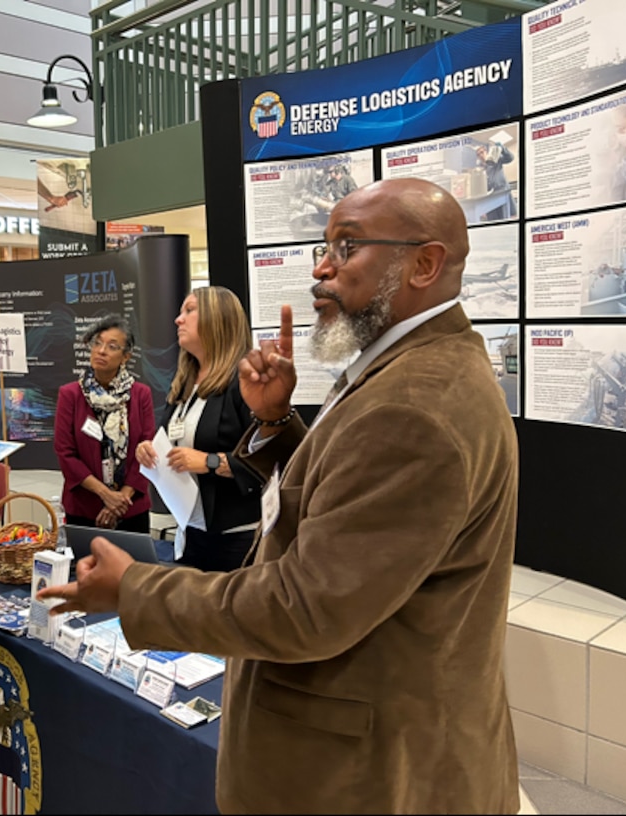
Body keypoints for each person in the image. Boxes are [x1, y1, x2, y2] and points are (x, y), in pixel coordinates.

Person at [41, 178, 520, 813]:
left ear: (424, 264)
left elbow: (307, 607)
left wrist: (136, 589)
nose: (321, 269)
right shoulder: (409, 370)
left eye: (347, 248)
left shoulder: (414, 404)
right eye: (324, 246)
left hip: (362, 773)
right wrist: (274, 423)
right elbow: (343, 503)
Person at [135, 286, 262, 572]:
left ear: (218, 319)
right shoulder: (184, 383)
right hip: (191, 533)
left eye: (189, 311)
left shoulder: (245, 381)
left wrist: (210, 461)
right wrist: (150, 452)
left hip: (236, 540)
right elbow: (172, 442)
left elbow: (267, 460)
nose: (178, 320)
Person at [54, 315, 154, 532]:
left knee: (134, 566)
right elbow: (65, 453)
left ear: (125, 356)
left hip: (130, 507)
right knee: (85, 566)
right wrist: (105, 494)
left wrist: (119, 501)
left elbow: (146, 450)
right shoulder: (70, 394)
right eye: (97, 343)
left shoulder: (140, 395)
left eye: (112, 346)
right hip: (84, 507)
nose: (101, 351)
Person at [475, 142, 516, 220]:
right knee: (493, 221)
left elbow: (510, 158)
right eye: (478, 154)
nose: (480, 155)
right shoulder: (480, 169)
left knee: (505, 218)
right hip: (490, 197)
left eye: (481, 152)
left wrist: (503, 149)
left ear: (486, 151)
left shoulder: (495, 159)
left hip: (502, 192)